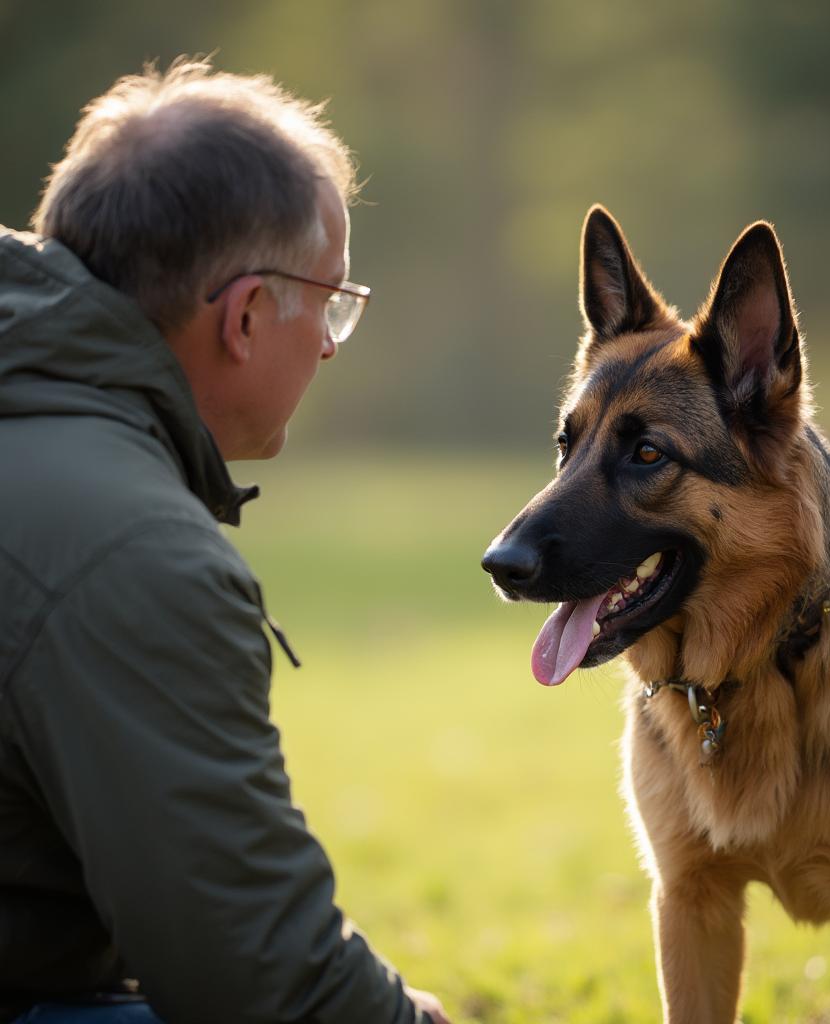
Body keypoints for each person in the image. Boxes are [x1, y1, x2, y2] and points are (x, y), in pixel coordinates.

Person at [0, 60, 451, 1024]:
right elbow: (258, 986)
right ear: (246, 316)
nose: (330, 343)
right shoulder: (130, 554)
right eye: (329, 301)